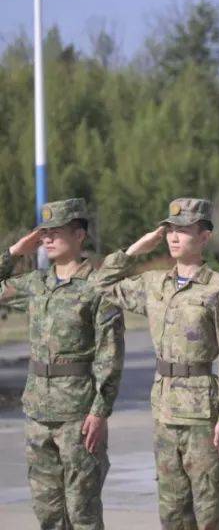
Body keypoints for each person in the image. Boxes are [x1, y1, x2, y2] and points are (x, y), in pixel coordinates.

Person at [92, 197, 219, 529]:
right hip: (164, 409)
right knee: (172, 511)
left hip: (203, 412)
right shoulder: (153, 283)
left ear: (204, 237)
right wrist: (138, 248)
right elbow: (99, 285)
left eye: (184, 230)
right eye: (170, 230)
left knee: (209, 511)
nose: (174, 237)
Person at [0, 198, 124, 530]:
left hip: (78, 415)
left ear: (79, 234)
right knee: (48, 512)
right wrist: (14, 252)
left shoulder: (98, 286)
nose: (48, 239)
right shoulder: (36, 284)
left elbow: (110, 354)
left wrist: (100, 411)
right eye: (43, 233)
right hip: (38, 413)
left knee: (82, 512)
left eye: (56, 232)